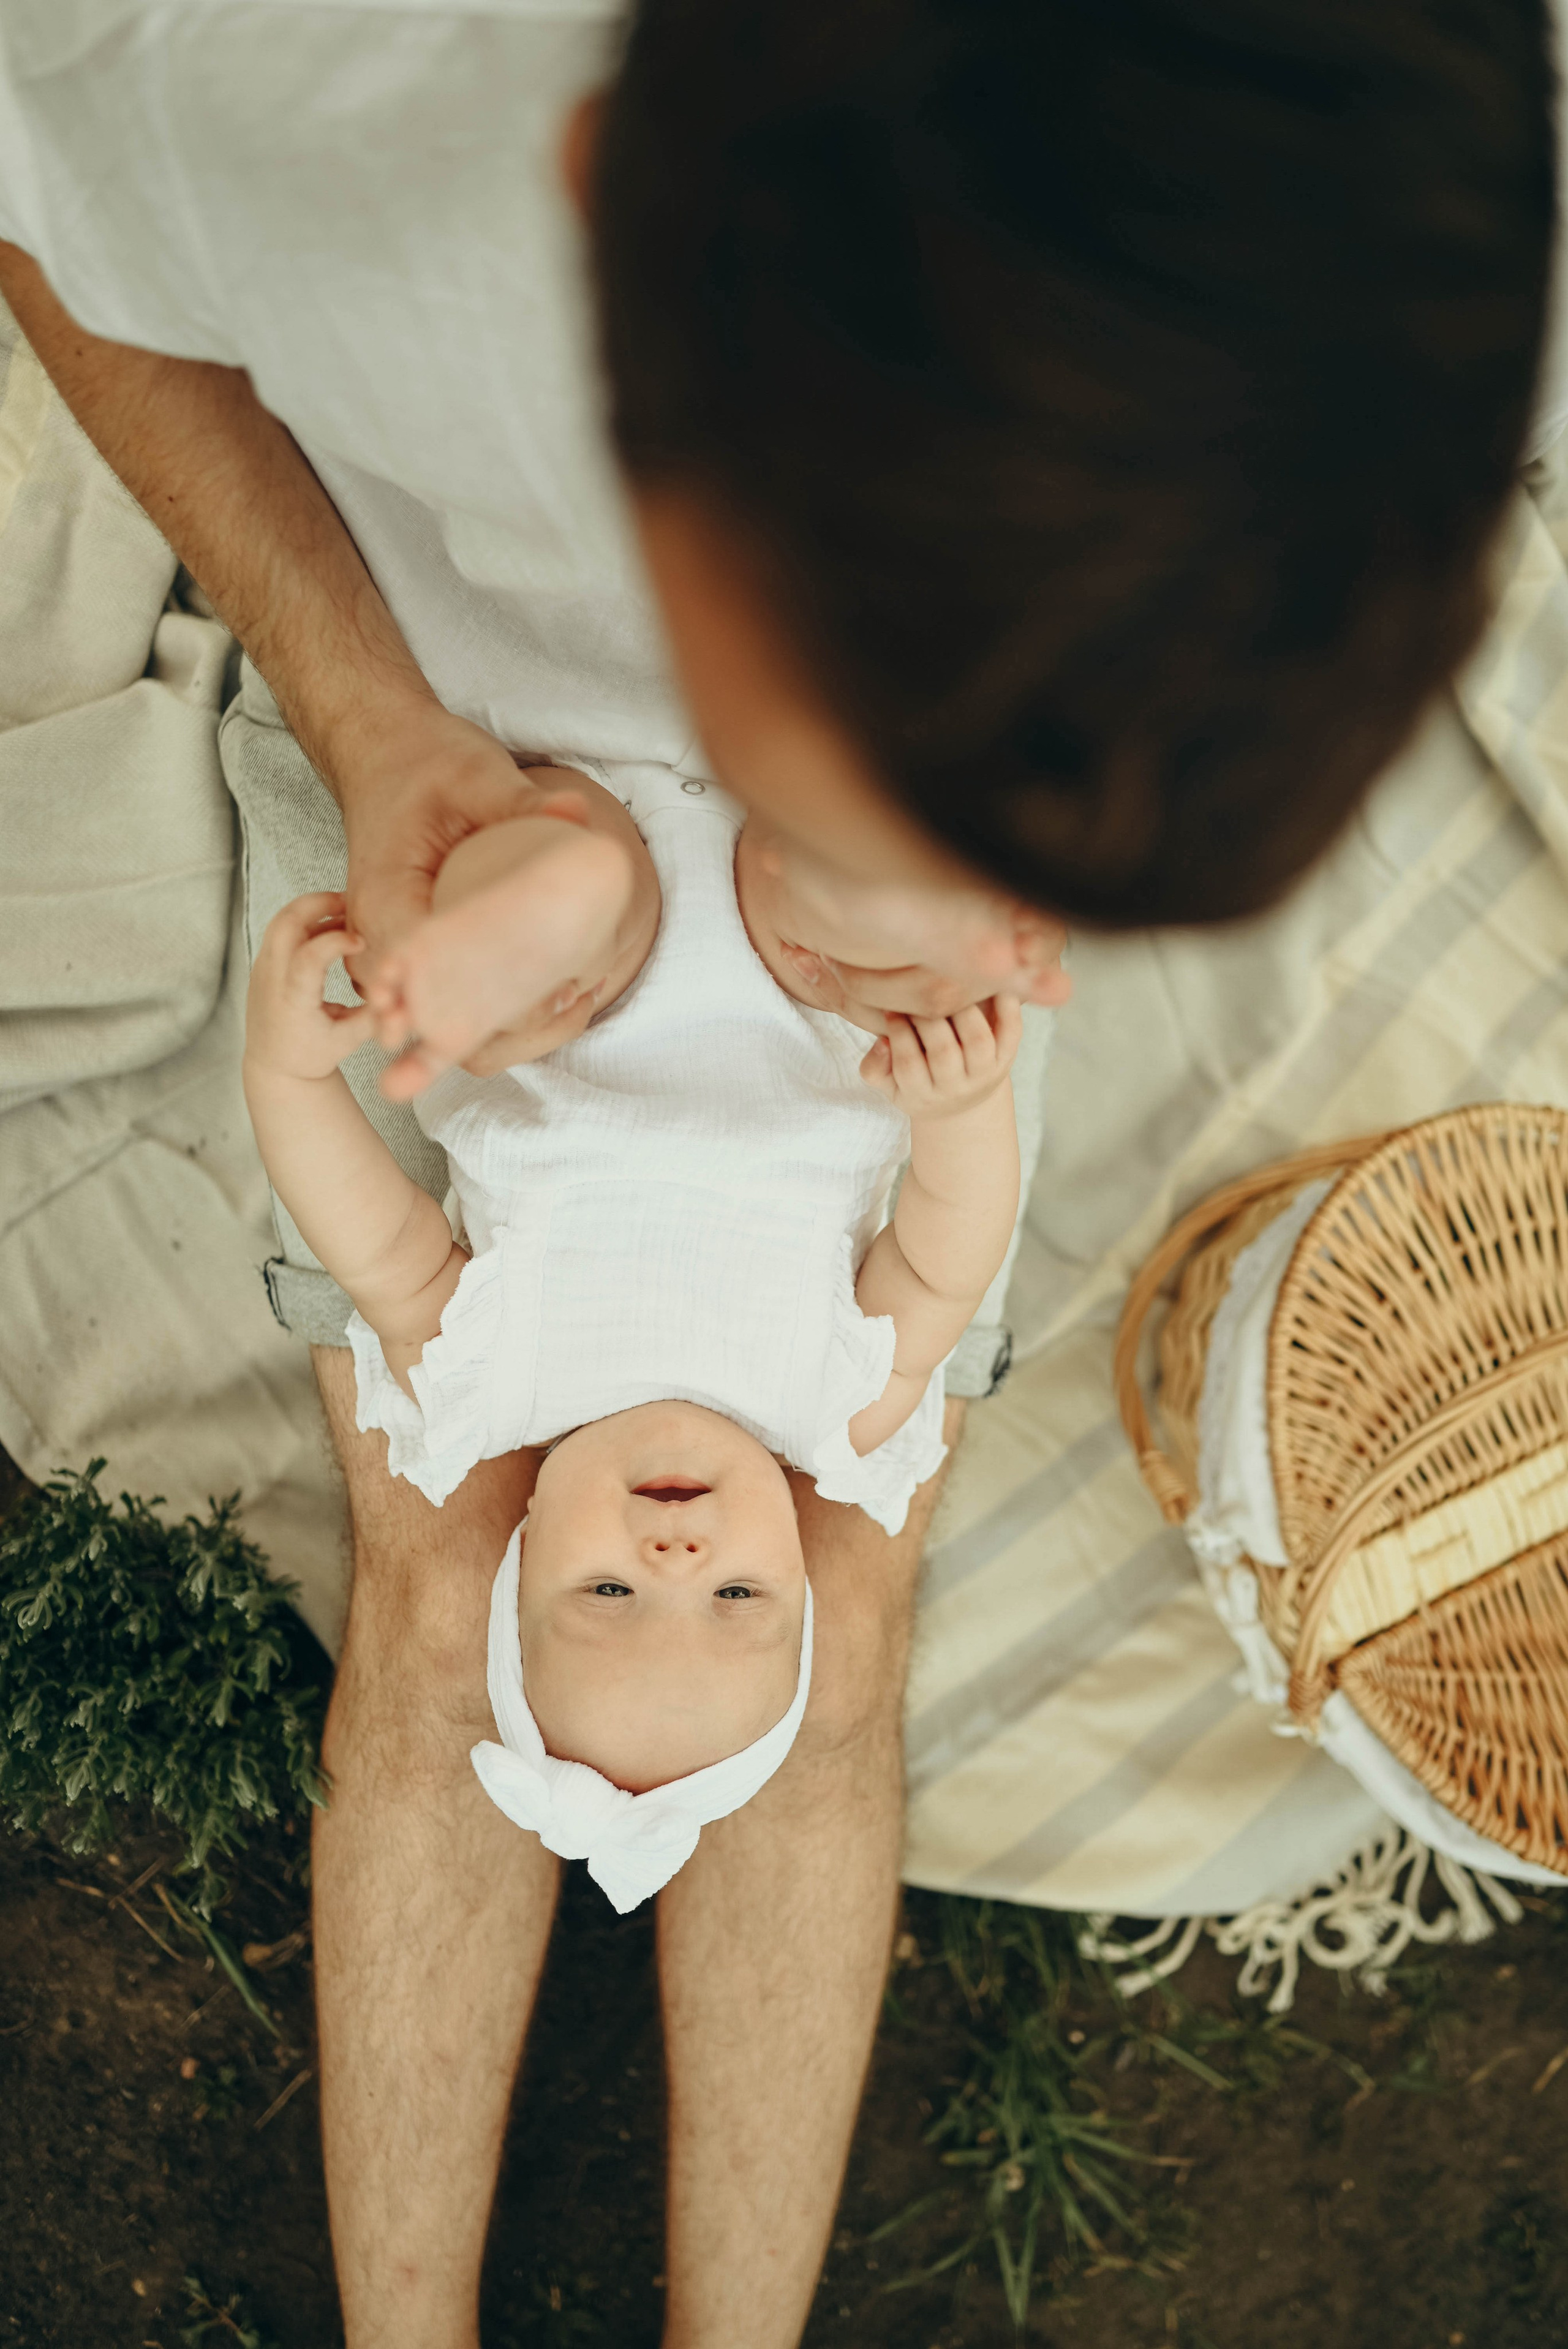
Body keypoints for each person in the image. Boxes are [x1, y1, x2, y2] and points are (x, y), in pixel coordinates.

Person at [0, 2, 1551, 2342]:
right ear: (622, 205)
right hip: (517, 784)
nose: (676, 1568)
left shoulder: (1355, 191)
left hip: (564, 911)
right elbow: (66, 213)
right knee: (465, 1589)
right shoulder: (288, 94)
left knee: (801, 1621)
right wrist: (384, 725)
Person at [241, 752, 1020, 1871]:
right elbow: (948, 1260)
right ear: (800, 1572)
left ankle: (552, 871)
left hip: (577, 997)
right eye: (735, 1593)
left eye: (609, 1590)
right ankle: (839, 823)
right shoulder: (838, 1418)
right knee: (880, 920)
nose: (673, 1553)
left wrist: (289, 1079)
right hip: (806, 979)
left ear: (521, 1545)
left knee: (542, 919)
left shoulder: (496, 1383)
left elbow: (373, 1241)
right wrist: (966, 1109)